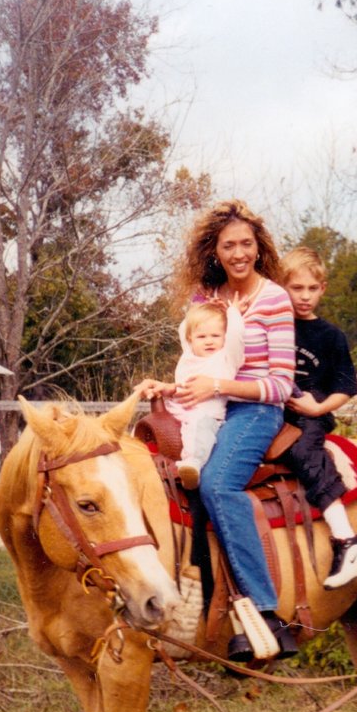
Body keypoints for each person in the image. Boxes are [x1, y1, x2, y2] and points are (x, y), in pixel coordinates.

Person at [139, 199, 298, 661]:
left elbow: (282, 384)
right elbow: (196, 363)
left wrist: (220, 384)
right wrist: (169, 387)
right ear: (215, 250)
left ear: (258, 246)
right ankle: (189, 601)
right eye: (229, 245)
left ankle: (268, 614)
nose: (238, 253)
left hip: (254, 410)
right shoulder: (205, 301)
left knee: (217, 484)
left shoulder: (274, 300)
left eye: (246, 243)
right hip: (206, 404)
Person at [280, 246, 357, 589]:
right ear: (283, 287)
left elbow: (346, 386)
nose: (304, 297)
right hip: (272, 409)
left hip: (310, 412)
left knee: (304, 452)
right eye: (296, 288)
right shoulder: (274, 326)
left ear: (323, 289)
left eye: (312, 288)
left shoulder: (331, 336)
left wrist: (318, 408)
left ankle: (347, 539)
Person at [149, 299, 245, 490]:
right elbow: (185, 328)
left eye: (216, 335)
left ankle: (193, 465)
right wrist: (202, 303)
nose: (209, 340)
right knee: (150, 427)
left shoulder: (226, 358)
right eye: (202, 336)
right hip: (178, 411)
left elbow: (236, 337)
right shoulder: (189, 356)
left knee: (200, 434)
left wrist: (233, 313)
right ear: (191, 338)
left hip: (206, 416)